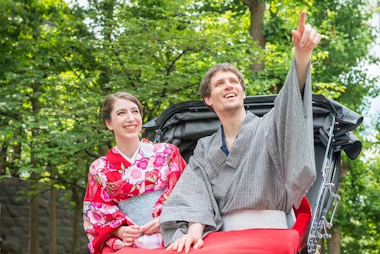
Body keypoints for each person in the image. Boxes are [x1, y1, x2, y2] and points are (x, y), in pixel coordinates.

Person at [159, 10, 320, 253]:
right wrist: (194, 228)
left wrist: (301, 55)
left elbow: (289, 104)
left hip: (273, 237)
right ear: (208, 99)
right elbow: (194, 190)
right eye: (220, 84)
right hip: (223, 241)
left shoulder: (269, 126)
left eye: (234, 81)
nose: (229, 86)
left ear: (243, 93)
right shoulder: (205, 147)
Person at [83, 92, 187, 254]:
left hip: (171, 233)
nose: (130, 118)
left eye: (135, 111)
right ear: (109, 123)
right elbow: (96, 214)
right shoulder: (99, 168)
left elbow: (189, 193)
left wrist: (166, 218)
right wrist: (118, 231)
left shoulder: (167, 153)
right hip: (129, 242)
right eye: (121, 113)